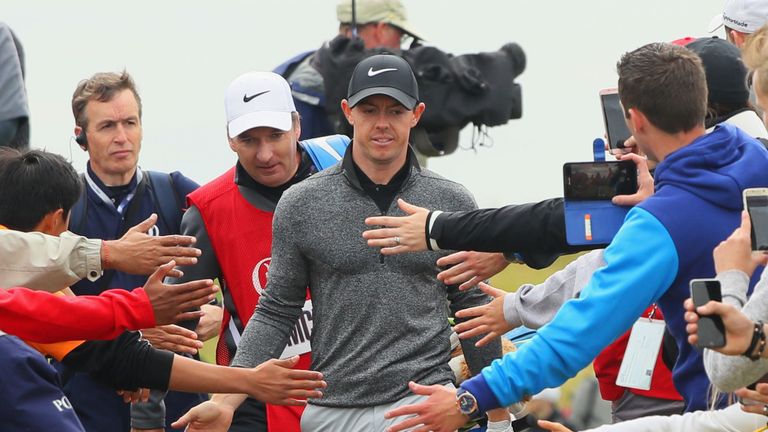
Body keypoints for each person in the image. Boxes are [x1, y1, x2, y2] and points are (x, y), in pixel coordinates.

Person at [382, 42, 768, 432]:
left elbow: (576, 335)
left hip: (726, 410)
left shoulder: (661, 221)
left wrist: (473, 398)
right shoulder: (759, 162)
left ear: (634, 120)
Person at [176, 54, 511, 432]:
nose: (382, 124)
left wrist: (498, 417)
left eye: (395, 111)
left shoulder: (451, 202)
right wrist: (225, 403)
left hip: (422, 405)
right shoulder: (302, 203)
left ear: (416, 114)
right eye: (369, 110)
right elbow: (275, 312)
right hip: (331, 412)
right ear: (348, 112)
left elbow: (472, 308)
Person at [164, 70, 349, 432]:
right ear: (230, 139)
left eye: (275, 136)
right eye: (249, 140)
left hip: (357, 387)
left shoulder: (344, 163)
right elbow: (174, 322)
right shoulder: (208, 211)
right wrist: (147, 416)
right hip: (254, 403)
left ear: (297, 126)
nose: (265, 154)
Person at [65, 70, 204, 432]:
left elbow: (239, 247)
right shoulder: (64, 209)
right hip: (92, 399)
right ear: (81, 137)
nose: (122, 137)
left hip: (178, 395)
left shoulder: (175, 191)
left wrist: (219, 310)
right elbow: (44, 303)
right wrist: (134, 338)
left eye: (130, 122)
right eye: (108, 126)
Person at [278, 0, 422, 141]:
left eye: (396, 112)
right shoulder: (305, 88)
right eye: (401, 37)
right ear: (381, 30)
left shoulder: (294, 69)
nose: (400, 47)